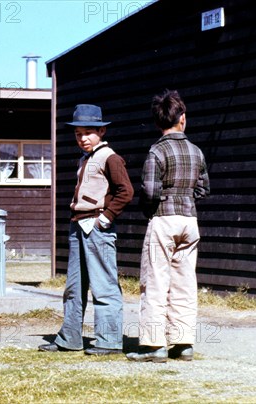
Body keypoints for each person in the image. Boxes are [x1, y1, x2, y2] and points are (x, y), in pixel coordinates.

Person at [39, 104, 133, 355]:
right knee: (73, 287)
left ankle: (109, 340)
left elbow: (126, 191)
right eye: (78, 133)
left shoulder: (110, 157)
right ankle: (69, 338)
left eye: (88, 132)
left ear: (102, 131)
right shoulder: (85, 159)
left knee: (104, 285)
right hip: (78, 226)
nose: (83, 138)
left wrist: (105, 218)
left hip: (97, 228)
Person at [127, 90, 210, 363]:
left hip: (163, 219)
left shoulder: (157, 151)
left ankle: (154, 345)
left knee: (155, 282)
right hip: (189, 220)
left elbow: (150, 191)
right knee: (185, 283)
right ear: (182, 119)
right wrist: (184, 198)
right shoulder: (196, 151)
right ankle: (183, 344)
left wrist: (154, 207)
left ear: (156, 122)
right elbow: (203, 188)